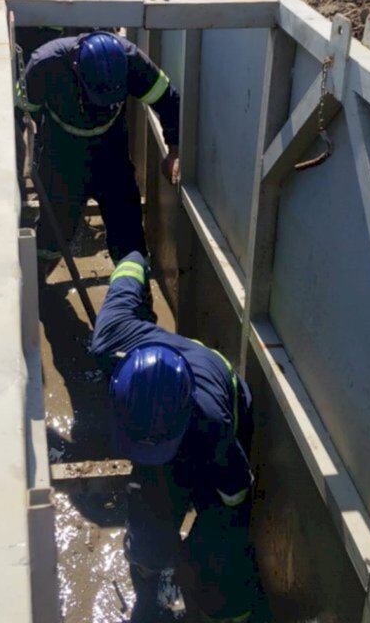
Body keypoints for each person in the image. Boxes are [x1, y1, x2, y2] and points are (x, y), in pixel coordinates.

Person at [91, 251, 258, 623]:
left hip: (218, 407)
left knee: (220, 554)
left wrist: (195, 550)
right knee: (147, 533)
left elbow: (234, 496)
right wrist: (134, 255)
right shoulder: (110, 340)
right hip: (175, 416)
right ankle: (148, 589)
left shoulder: (213, 426)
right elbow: (129, 270)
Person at [14, 31, 179, 274]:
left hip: (110, 151)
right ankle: (37, 281)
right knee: (56, 229)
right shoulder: (45, 65)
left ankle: (134, 296)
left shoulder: (132, 61)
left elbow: (168, 100)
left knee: (128, 230)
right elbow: (18, 115)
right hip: (62, 153)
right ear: (76, 69)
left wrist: (174, 150)